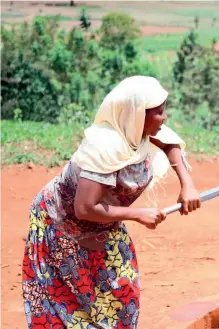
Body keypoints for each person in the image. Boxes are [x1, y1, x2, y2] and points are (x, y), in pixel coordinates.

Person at [21, 76, 201, 329]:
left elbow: (170, 144)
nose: (164, 117)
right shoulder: (105, 146)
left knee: (121, 294)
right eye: (158, 112)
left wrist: (187, 185)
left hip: (104, 222)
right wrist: (137, 214)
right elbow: (84, 208)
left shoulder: (139, 131)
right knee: (68, 303)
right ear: (136, 114)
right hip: (61, 225)